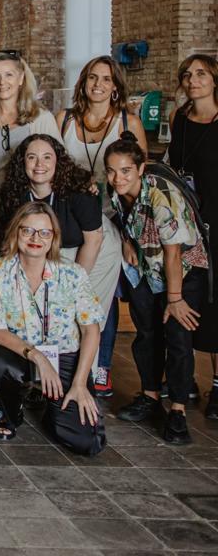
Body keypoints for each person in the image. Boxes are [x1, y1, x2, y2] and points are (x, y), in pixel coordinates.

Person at [0, 134, 122, 394]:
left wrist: (71, 288)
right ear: (23, 163)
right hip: (52, 248)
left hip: (95, 247)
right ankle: (42, 378)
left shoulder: (77, 191)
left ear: (58, 162)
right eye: (32, 157)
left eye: (47, 157)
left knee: (80, 313)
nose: (39, 164)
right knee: (44, 310)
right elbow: (12, 241)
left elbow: (94, 239)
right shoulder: (15, 194)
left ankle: (82, 383)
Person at [0, 202, 105, 454]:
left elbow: (92, 330)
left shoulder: (73, 273)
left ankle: (51, 409)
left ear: (54, 238)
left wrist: (79, 383)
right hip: (20, 352)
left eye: (44, 233)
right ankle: (11, 410)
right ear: (15, 232)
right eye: (28, 231)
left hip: (65, 355)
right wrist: (38, 357)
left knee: (88, 443)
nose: (36, 239)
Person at [0, 51, 60, 374]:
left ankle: (24, 362)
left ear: (21, 78)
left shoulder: (41, 118)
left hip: (28, 217)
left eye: (8, 75)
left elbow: (59, 163)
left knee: (23, 290)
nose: (2, 82)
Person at [106, 137, 210, 444]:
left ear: (140, 168)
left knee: (177, 336)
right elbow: (123, 220)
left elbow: (173, 253)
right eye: (112, 171)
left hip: (182, 272)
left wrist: (175, 299)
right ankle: (150, 395)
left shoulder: (161, 195)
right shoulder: (117, 193)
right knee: (146, 334)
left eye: (125, 171)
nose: (118, 178)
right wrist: (126, 241)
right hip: (145, 269)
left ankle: (177, 410)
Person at [57, 55, 147, 397]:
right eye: (92, 78)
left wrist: (129, 235)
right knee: (70, 292)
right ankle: (65, 364)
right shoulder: (64, 120)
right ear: (84, 83)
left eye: (106, 79)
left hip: (112, 220)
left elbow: (139, 179)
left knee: (101, 298)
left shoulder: (128, 122)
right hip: (71, 221)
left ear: (115, 87)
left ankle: (101, 368)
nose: (98, 85)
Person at [169, 54, 218, 419]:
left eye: (201, 74)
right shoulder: (180, 119)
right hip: (191, 219)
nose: (194, 80)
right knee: (190, 296)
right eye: (188, 75)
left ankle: (217, 383)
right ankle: (184, 378)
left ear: (214, 80)